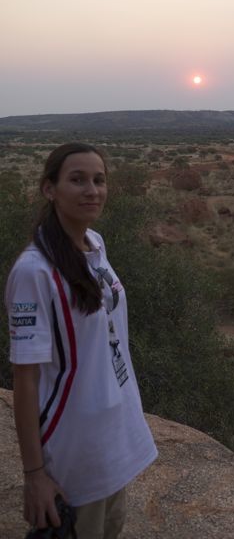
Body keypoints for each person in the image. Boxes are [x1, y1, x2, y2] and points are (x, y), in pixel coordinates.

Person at [5, 143, 158, 538]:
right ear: (49, 189)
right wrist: (35, 475)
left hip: (112, 444)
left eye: (99, 180)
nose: (92, 190)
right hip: (73, 454)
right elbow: (25, 379)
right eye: (77, 180)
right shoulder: (34, 272)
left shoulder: (96, 244)